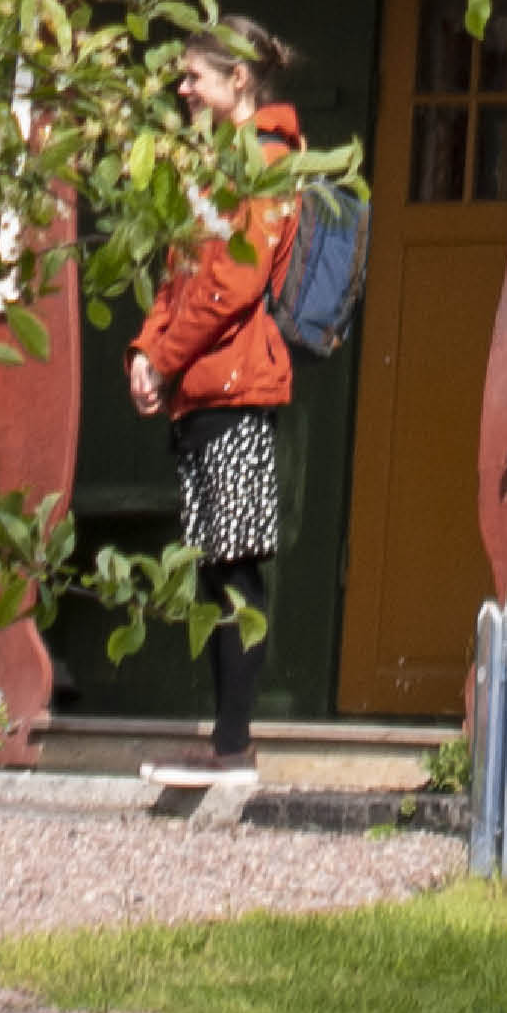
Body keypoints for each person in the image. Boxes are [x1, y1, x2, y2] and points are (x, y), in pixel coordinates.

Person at [126, 42, 314, 768]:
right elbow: (182, 270)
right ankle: (226, 739)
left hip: (238, 389)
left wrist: (163, 356)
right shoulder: (211, 165)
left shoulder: (266, 161)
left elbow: (235, 284)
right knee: (214, 565)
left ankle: (234, 742)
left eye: (195, 76)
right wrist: (146, 352)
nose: (183, 87)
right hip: (199, 389)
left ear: (237, 80)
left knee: (235, 566)